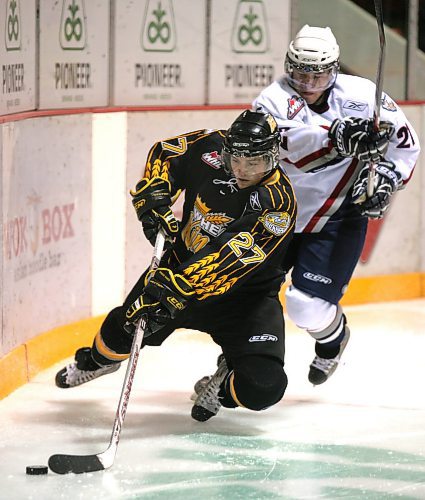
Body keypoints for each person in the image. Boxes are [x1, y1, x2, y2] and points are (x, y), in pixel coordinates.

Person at [194, 25, 420, 394]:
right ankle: (236, 369)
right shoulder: (272, 99)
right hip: (277, 216)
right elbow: (284, 147)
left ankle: (332, 342)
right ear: (288, 67)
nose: (310, 83)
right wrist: (337, 137)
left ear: (335, 69)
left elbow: (404, 144)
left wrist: (387, 178)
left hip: (338, 217)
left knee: (305, 308)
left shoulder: (364, 96)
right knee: (246, 297)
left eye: (319, 74)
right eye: (301, 73)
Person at [55, 110, 297, 422]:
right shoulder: (209, 146)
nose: (242, 170)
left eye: (254, 162)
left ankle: (224, 384)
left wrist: (180, 285)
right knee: (115, 339)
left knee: (263, 387)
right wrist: (156, 193)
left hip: (244, 301)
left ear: (272, 156)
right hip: (175, 271)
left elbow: (235, 259)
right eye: (236, 160)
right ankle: (97, 361)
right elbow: (166, 153)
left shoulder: (278, 201)